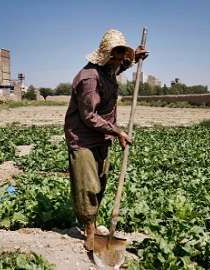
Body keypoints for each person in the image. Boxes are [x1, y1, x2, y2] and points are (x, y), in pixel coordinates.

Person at [64, 29, 148, 251]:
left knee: (101, 180)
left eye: (123, 56)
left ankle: (92, 220)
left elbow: (121, 66)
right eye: (116, 56)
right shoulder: (89, 78)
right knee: (88, 185)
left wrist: (135, 58)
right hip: (83, 136)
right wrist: (118, 132)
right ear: (104, 55)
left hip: (102, 134)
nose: (120, 61)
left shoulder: (110, 69)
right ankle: (89, 228)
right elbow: (89, 116)